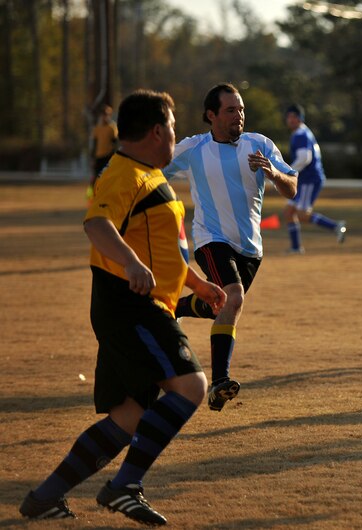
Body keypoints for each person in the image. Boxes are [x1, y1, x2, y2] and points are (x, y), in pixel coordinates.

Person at [19, 90, 226, 525]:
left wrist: (199, 284)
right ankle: (124, 486)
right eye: (171, 126)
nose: (174, 134)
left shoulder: (149, 174)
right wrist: (131, 264)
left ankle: (44, 497)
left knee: (128, 417)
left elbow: (164, 251)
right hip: (133, 306)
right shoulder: (124, 173)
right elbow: (97, 224)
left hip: (141, 306)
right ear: (156, 131)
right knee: (191, 387)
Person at [164, 83, 298, 412]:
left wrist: (272, 172)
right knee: (233, 297)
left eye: (241, 109)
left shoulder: (260, 144)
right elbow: (153, 169)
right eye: (230, 110)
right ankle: (220, 381)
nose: (238, 116)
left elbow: (292, 188)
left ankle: (175, 309)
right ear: (211, 115)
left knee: (221, 305)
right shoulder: (194, 148)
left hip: (251, 248)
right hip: (212, 239)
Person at [282, 104, 346, 253]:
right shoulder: (302, 132)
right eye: (289, 117)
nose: (291, 120)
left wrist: (287, 172)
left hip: (309, 179)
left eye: (294, 117)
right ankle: (296, 247)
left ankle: (336, 226)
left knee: (302, 215)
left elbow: (304, 158)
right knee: (288, 212)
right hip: (305, 179)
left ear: (300, 118)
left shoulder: (300, 134)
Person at [87, 104, 118, 199]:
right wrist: (92, 158)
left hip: (108, 156)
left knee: (108, 177)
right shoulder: (97, 128)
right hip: (98, 156)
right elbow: (94, 144)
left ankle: (108, 195)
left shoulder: (112, 128)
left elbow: (115, 143)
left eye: (107, 114)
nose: (105, 116)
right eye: (104, 114)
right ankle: (92, 196)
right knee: (95, 177)